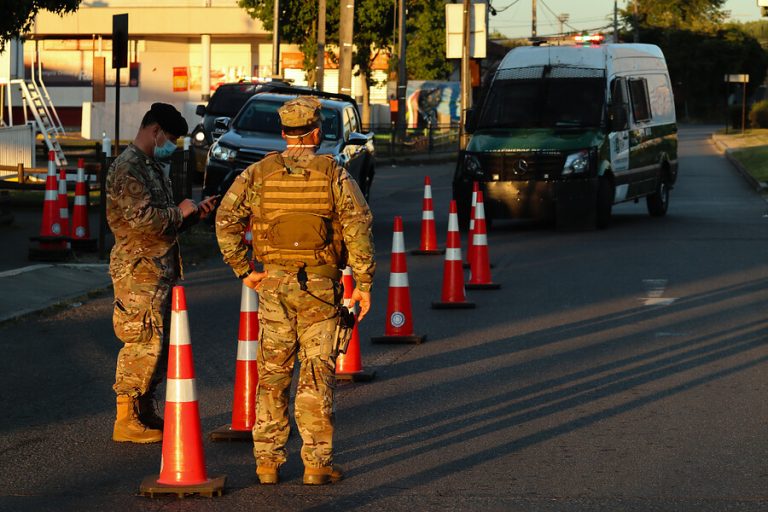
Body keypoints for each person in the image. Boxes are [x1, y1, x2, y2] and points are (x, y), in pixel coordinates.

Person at [215, 96, 375, 485]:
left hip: (273, 285)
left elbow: (225, 218)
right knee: (316, 375)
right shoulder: (334, 175)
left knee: (272, 374)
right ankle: (317, 464)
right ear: (317, 132)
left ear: (284, 132)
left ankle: (267, 463)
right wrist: (364, 285)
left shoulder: (258, 174)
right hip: (321, 286)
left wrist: (244, 271)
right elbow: (358, 226)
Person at [107, 102, 218, 443]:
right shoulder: (129, 169)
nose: (171, 145)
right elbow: (144, 221)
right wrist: (179, 212)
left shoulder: (151, 166)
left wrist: (192, 215)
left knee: (158, 343)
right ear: (154, 131)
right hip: (138, 270)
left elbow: (163, 224)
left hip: (157, 269)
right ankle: (125, 418)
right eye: (169, 138)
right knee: (141, 341)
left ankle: (144, 408)